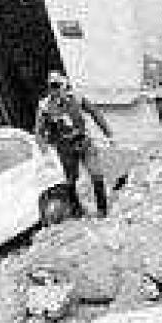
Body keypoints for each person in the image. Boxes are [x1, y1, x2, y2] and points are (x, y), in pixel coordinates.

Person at [34, 71, 113, 217]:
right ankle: (76, 210)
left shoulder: (77, 97)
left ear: (65, 85)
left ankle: (103, 210)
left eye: (59, 86)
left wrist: (108, 133)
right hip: (65, 147)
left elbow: (94, 112)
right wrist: (45, 152)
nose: (56, 90)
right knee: (71, 179)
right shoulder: (45, 106)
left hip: (84, 142)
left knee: (96, 173)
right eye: (53, 87)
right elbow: (39, 131)